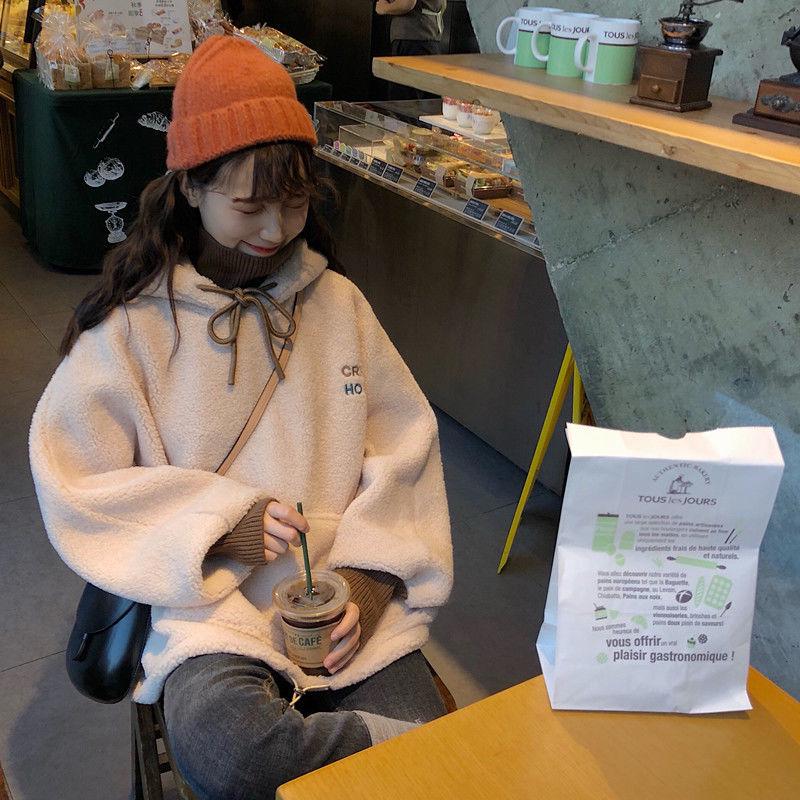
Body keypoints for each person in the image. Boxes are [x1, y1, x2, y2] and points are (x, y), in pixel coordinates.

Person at [29, 35, 452, 800]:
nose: (275, 229)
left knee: (346, 752)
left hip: (342, 595)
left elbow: (405, 450)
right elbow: (75, 477)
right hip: (213, 607)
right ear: (191, 188)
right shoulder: (135, 325)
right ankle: (418, 762)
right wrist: (224, 524)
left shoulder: (339, 305)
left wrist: (366, 584)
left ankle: (411, 762)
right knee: (231, 750)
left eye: (294, 202)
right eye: (249, 206)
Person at [376, 0, 447, 99]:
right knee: (429, 97)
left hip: (411, 39)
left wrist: (384, 7)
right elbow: (443, 5)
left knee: (404, 99)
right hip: (430, 38)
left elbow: (406, 4)